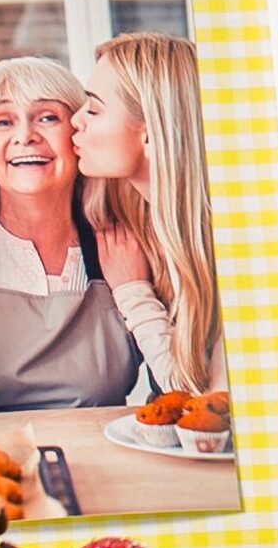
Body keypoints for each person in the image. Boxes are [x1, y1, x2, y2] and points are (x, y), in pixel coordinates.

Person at [0, 56, 143, 413]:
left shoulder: (125, 243)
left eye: (48, 117)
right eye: (3, 121)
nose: (25, 136)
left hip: (107, 456)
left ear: (79, 134)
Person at [75, 32, 225, 396]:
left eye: (94, 110)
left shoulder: (233, 243)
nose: (75, 122)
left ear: (151, 136)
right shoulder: (142, 218)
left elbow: (203, 404)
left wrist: (133, 292)